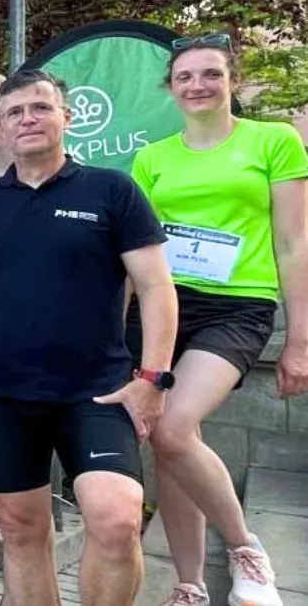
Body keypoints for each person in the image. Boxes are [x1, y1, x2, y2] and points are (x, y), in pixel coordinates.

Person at [0, 70, 179, 606]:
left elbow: (156, 287)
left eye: (40, 108)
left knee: (117, 520)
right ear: (2, 126)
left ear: (65, 118)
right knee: (21, 529)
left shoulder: (112, 190)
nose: (27, 119)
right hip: (4, 391)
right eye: (15, 112)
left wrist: (153, 379)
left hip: (96, 392)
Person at [129, 34, 307, 606]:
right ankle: (190, 584)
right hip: (164, 306)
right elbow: (137, 254)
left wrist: (300, 340)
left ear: (232, 80)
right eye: (185, 76)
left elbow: (294, 243)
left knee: (174, 427)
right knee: (169, 440)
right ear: (171, 88)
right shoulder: (152, 158)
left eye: (211, 74)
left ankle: (245, 547)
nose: (198, 85)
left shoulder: (274, 141)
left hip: (238, 305)